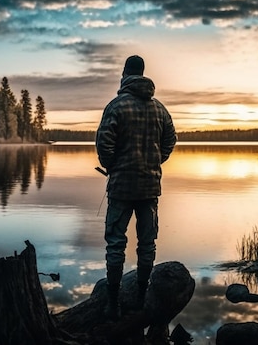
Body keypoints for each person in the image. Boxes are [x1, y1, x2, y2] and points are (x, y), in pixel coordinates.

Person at [95, 55, 177, 320]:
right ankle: (142, 297)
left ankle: (112, 303)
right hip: (150, 187)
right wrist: (155, 161)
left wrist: (112, 166)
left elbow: (103, 145)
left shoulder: (116, 106)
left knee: (115, 244)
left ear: (124, 75)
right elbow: (170, 141)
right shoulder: (160, 109)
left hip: (120, 188)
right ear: (142, 74)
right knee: (147, 244)